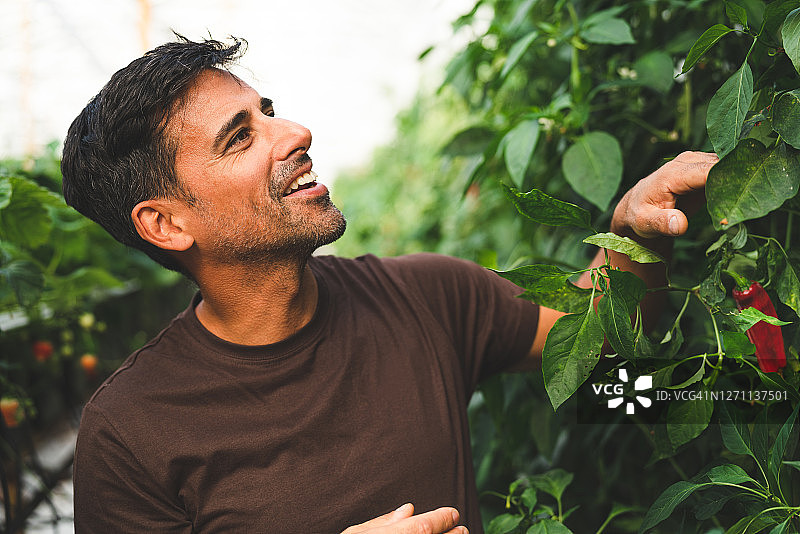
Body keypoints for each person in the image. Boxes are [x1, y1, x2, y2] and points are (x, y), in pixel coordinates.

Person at [61, 35, 717, 534]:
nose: (296, 133)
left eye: (269, 112)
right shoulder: (130, 432)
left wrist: (635, 229)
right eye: (240, 137)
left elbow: (599, 347)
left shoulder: (425, 298)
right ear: (166, 224)